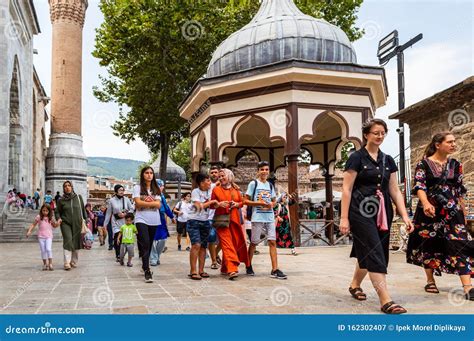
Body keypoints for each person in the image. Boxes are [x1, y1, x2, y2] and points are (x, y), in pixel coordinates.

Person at [339, 118, 413, 314]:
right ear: (366, 135)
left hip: (383, 212)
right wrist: (344, 218)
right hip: (360, 210)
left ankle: (355, 284)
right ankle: (385, 300)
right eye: (376, 133)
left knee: (372, 249)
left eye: (383, 133)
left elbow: (395, 190)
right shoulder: (356, 157)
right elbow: (346, 189)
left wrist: (405, 216)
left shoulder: (388, 160)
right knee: (374, 250)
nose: (380, 136)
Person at [407, 132, 473, 300]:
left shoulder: (456, 164)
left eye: (454, 142)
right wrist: (426, 203)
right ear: (438, 144)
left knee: (460, 243)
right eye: (449, 142)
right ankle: (430, 281)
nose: (454, 144)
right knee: (428, 243)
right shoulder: (424, 164)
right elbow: (419, 186)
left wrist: (463, 211)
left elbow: (459, 190)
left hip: (453, 211)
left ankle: (467, 287)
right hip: (430, 210)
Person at [245, 161, 287, 279]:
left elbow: (274, 201)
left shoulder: (270, 185)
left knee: (272, 242)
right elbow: (245, 201)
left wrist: (272, 204)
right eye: (262, 169)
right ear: (258, 171)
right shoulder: (253, 184)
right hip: (257, 216)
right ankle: (248, 265)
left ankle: (275, 269)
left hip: (269, 217)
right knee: (254, 242)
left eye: (266, 169)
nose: (264, 171)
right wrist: (258, 202)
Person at [211, 169, 250, 280]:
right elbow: (211, 205)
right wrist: (218, 204)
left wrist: (237, 204)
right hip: (222, 222)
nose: (221, 178)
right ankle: (232, 269)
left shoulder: (236, 189)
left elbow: (242, 202)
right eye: (220, 176)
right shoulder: (216, 190)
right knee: (227, 244)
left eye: (223, 175)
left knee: (233, 244)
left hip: (234, 220)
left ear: (229, 176)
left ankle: (224, 268)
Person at [133, 166, 162, 283]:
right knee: (145, 242)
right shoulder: (137, 187)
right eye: (146, 173)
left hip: (154, 219)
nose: (149, 175)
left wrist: (143, 203)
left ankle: (144, 264)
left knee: (149, 245)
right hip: (141, 219)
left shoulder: (156, 189)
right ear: (142, 175)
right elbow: (137, 203)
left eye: (151, 173)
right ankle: (147, 271)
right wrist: (152, 203)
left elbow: (159, 205)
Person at [187, 173, 217, 280]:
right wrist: (212, 202)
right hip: (193, 220)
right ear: (201, 183)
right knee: (196, 245)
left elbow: (221, 183)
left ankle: (201, 270)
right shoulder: (195, 191)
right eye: (207, 180)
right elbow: (199, 206)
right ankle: (193, 270)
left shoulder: (211, 189)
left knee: (204, 246)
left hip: (205, 221)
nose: (210, 182)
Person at [55, 181, 87, 270]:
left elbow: (83, 210)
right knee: (68, 241)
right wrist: (58, 218)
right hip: (65, 223)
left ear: (72, 187)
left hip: (78, 223)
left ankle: (74, 261)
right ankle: (67, 263)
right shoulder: (61, 200)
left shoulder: (78, 197)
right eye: (65, 186)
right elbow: (57, 211)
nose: (67, 187)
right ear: (63, 188)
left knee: (76, 242)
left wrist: (86, 219)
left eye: (69, 186)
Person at [104, 185, 134, 262]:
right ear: (116, 191)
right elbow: (108, 213)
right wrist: (105, 224)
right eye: (120, 190)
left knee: (125, 240)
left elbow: (131, 209)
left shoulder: (126, 199)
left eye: (123, 190)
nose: (122, 192)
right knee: (118, 238)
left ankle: (122, 253)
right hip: (116, 222)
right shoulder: (111, 200)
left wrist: (125, 214)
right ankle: (118, 255)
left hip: (125, 222)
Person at [26, 204, 59, 270]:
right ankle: (45, 264)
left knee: (48, 249)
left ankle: (50, 263)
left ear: (49, 211)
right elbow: (33, 224)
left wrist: (58, 223)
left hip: (49, 236)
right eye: (43, 210)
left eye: (46, 211)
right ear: (41, 210)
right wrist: (29, 231)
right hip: (41, 236)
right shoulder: (39, 217)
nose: (45, 212)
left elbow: (54, 226)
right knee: (43, 250)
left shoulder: (50, 218)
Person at [150, 179, 175, 266]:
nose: (162, 187)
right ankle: (153, 258)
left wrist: (172, 216)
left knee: (163, 239)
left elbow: (166, 207)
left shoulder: (162, 196)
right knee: (152, 239)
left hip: (161, 219)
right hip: (151, 217)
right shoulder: (150, 195)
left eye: (162, 186)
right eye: (160, 186)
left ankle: (157, 256)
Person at [207, 165, 220, 269]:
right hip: (210, 216)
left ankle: (215, 253)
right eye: (212, 172)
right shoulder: (207, 186)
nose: (214, 174)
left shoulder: (224, 185)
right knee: (211, 238)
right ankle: (214, 261)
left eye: (215, 172)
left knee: (225, 239)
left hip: (223, 215)